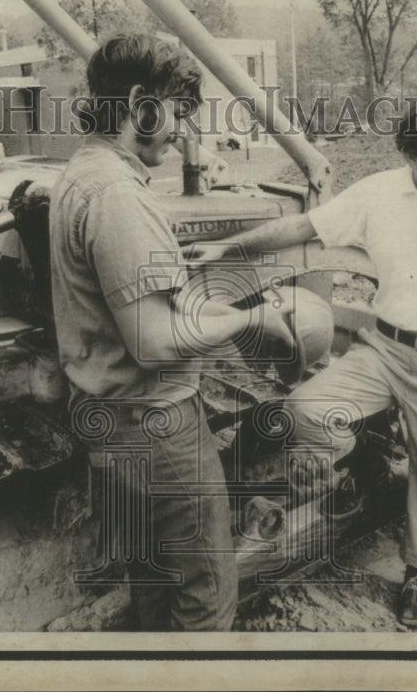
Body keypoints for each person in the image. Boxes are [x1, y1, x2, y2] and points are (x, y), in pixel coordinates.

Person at [191, 103, 417, 626]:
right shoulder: (379, 192)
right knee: (304, 408)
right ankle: (364, 458)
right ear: (411, 156)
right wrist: (227, 246)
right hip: (386, 352)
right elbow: (302, 225)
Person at [48, 34, 293, 631]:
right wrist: (252, 319)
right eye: (178, 111)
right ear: (139, 104)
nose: (185, 130)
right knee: (205, 589)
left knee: (154, 576)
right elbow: (155, 341)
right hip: (157, 422)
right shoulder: (118, 196)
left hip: (108, 415)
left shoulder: (82, 172)